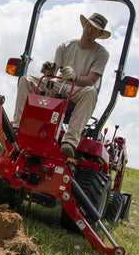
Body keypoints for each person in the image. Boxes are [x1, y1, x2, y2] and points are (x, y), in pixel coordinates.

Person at [13, 13, 111, 158]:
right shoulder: (65, 46)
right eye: (89, 26)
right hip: (58, 85)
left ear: (99, 34)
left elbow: (91, 80)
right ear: (84, 25)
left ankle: (69, 142)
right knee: (26, 80)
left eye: (95, 29)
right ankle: (17, 127)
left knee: (91, 92)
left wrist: (75, 77)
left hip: (79, 91)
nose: (90, 30)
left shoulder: (102, 54)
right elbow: (52, 71)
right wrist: (48, 69)